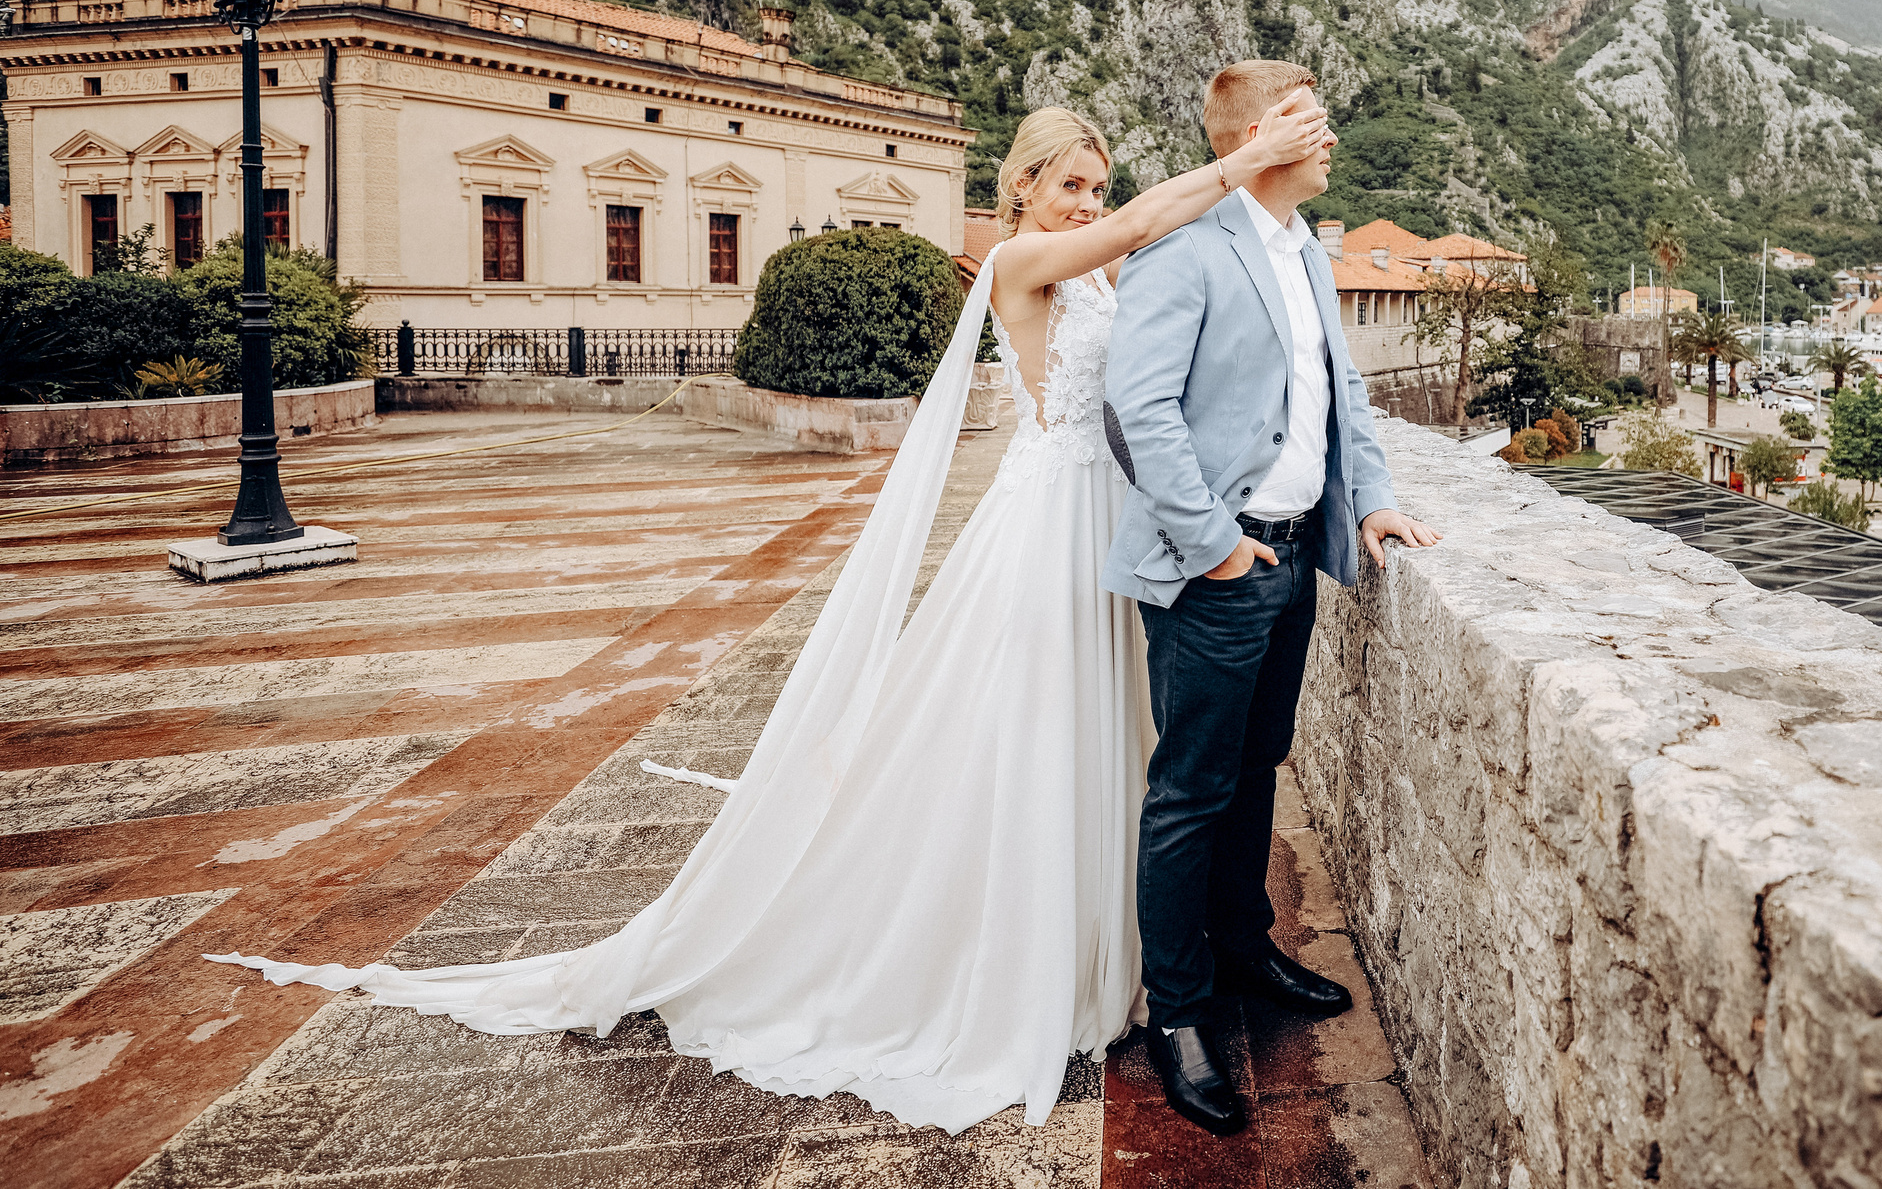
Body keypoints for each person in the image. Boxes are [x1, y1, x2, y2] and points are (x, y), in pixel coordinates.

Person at [207, 91, 1332, 1135]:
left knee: (1117, 744)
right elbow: (1145, 223)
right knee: (1029, 732)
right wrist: (1244, 161)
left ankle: (1128, 949)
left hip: (1118, 520)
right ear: (1021, 193)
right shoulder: (1023, 262)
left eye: (1096, 185)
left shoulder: (1098, 278)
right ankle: (1010, 954)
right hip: (1049, 522)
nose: (1087, 202)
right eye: (1070, 185)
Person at [1103, 58, 1439, 1136]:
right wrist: (1212, 547)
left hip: (1297, 559)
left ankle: (1245, 951)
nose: (1330, 135)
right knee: (1190, 789)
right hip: (1221, 569)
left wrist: (1372, 501)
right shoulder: (1183, 253)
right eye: (1310, 119)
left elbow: (1343, 401)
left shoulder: (1307, 253)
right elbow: (1137, 409)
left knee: (1258, 765)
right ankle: (1184, 1014)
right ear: (1254, 136)